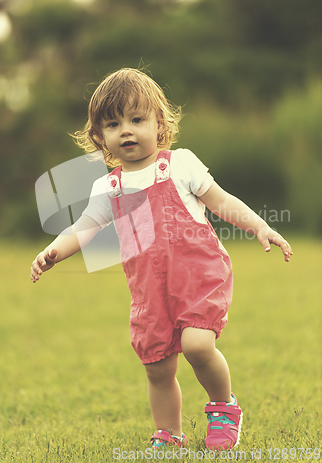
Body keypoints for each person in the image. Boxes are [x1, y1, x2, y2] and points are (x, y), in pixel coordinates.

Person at [30, 68, 293, 451]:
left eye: (136, 120)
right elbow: (84, 227)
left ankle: (224, 407)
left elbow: (221, 201)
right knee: (157, 366)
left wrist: (259, 227)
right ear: (99, 137)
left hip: (199, 276)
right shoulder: (109, 187)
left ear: (159, 123)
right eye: (113, 124)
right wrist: (52, 252)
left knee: (198, 346)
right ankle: (169, 432)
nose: (126, 130)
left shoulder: (180, 164)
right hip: (150, 290)